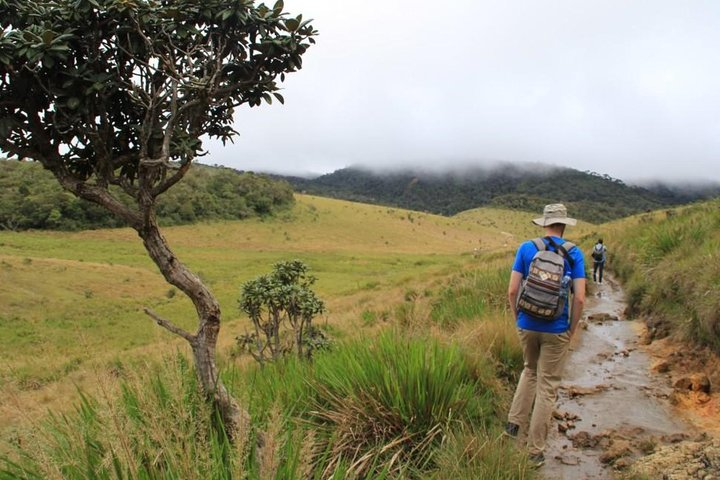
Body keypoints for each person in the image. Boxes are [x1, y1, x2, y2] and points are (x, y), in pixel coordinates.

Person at [505, 203, 586, 467]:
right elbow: (581, 299)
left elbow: (512, 291)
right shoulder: (575, 253)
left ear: (544, 223)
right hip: (556, 328)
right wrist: (570, 330)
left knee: (529, 370)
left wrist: (519, 320)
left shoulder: (526, 248)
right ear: (564, 225)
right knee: (547, 386)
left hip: (527, 323)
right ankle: (535, 451)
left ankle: (513, 427)